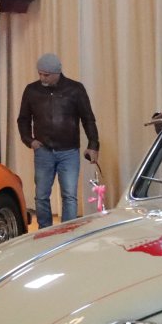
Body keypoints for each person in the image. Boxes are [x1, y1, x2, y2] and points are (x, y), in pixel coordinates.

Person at [16, 52, 100, 228]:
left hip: (69, 151)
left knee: (69, 196)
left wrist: (93, 144)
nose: (42, 78)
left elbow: (88, 119)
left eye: (46, 75)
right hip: (43, 151)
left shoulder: (75, 89)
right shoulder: (32, 90)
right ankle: (44, 232)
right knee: (41, 196)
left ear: (57, 73)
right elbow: (23, 119)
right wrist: (29, 141)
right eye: (40, 74)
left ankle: (67, 232)